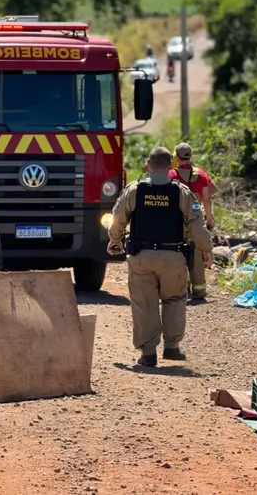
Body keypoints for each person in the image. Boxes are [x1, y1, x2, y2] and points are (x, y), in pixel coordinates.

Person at [108, 147, 213, 367]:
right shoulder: (182, 192)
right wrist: (207, 249)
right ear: (171, 166)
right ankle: (172, 348)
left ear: (148, 164)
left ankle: (148, 354)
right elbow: (196, 225)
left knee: (144, 303)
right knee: (174, 301)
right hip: (173, 257)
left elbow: (118, 218)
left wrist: (114, 239)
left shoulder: (134, 190)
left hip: (141, 256)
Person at [168, 142, 219, 300]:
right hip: (196, 218)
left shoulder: (172, 175)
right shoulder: (200, 174)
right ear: (191, 156)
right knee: (197, 252)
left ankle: (179, 289)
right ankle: (199, 291)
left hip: (177, 220)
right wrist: (208, 218)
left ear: (176, 156)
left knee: (176, 252)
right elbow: (208, 197)